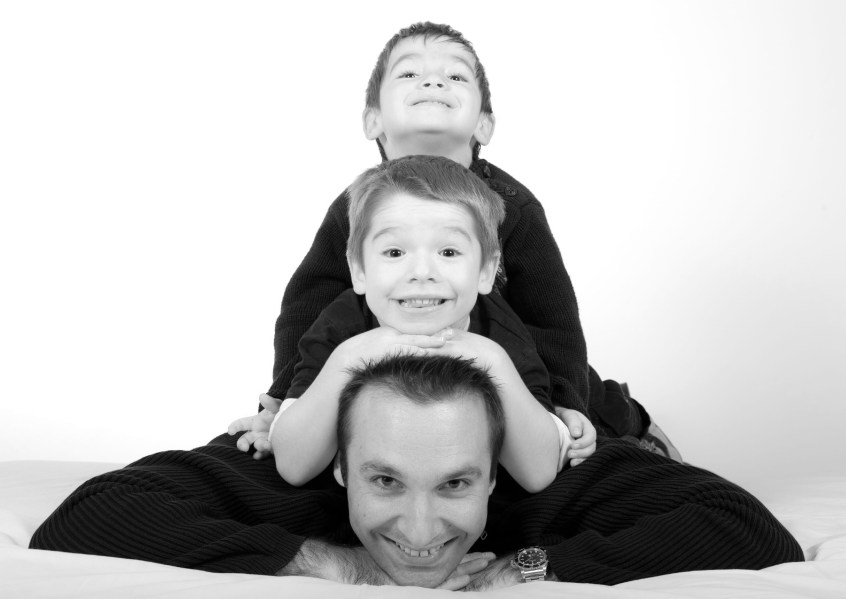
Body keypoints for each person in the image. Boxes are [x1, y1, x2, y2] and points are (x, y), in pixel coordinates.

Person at [228, 21, 676, 462]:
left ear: (484, 125)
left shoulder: (513, 208)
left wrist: (564, 402)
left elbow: (552, 317)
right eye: (409, 72)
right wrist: (284, 400)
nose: (432, 80)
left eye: (456, 76)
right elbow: (309, 305)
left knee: (589, 409)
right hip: (399, 352)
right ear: (372, 119)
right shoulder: (357, 209)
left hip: (516, 356)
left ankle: (631, 419)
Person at [31, 354, 804, 590]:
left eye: (457, 482)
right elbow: (90, 513)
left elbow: (746, 525)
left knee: (599, 413)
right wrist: (332, 560)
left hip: (570, 406)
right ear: (340, 466)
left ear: (494, 473)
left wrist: (531, 565)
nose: (423, 530)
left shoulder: (543, 474)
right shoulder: (295, 470)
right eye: (386, 481)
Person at [269, 155, 579, 493]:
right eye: (394, 253)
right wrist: (347, 361)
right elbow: (294, 466)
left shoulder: (500, 337)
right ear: (358, 269)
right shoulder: (341, 328)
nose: (421, 272)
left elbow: (538, 474)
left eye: (448, 253)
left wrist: (494, 363)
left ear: (485, 271)